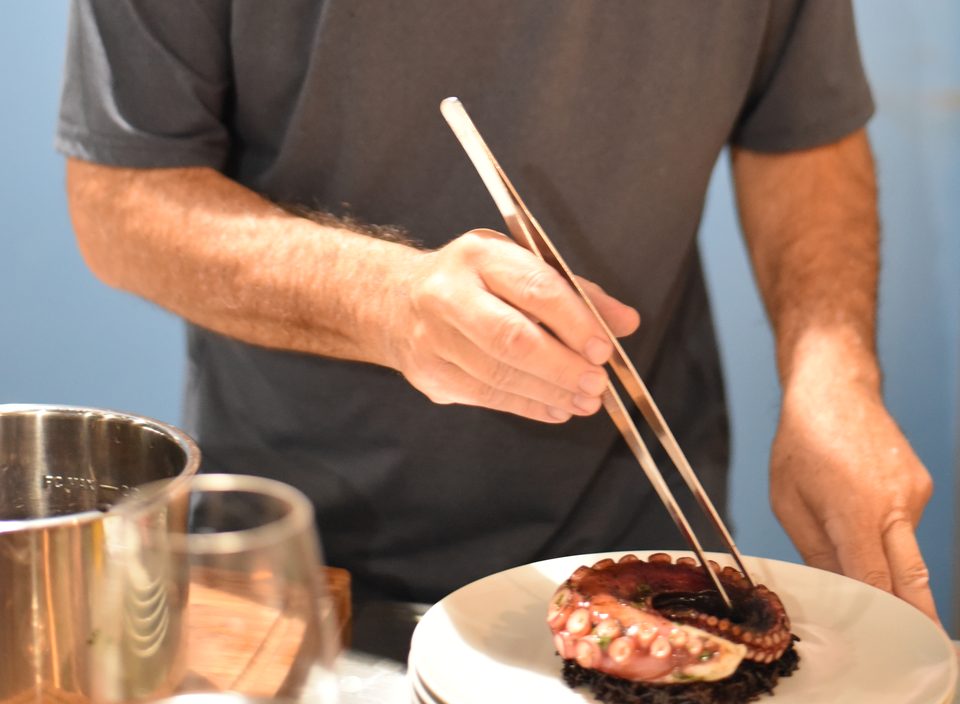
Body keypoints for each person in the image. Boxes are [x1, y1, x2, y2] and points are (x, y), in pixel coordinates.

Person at [57, 0, 939, 642]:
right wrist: (388, 301)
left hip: (648, 568)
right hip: (295, 575)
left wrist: (833, 374)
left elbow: (799, 131)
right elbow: (121, 202)